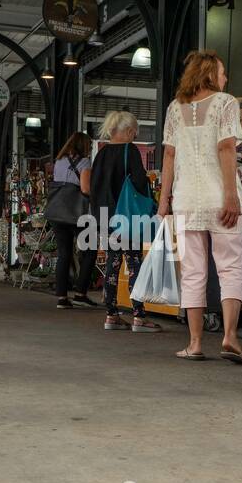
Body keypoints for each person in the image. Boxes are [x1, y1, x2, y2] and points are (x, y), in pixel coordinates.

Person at [158, 50, 242, 362]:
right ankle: (230, 337)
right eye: (222, 72)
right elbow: (226, 147)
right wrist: (231, 196)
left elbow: (168, 156)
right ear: (210, 73)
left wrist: (164, 200)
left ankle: (195, 343)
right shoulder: (226, 103)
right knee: (230, 266)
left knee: (193, 272)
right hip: (219, 199)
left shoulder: (174, 108)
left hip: (185, 201)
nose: (225, 78)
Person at [89, 111, 160, 332]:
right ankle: (139, 316)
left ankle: (111, 315)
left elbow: (94, 187)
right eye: (135, 131)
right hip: (127, 216)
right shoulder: (130, 151)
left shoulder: (101, 154)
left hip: (105, 216)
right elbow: (139, 182)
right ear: (129, 130)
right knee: (134, 263)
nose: (135, 135)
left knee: (113, 263)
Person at [50, 132, 98, 309]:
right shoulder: (85, 162)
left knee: (64, 254)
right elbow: (85, 189)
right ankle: (80, 294)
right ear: (84, 146)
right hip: (78, 213)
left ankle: (62, 297)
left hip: (58, 212)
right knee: (90, 250)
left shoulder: (59, 161)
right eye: (90, 146)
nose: (90, 148)